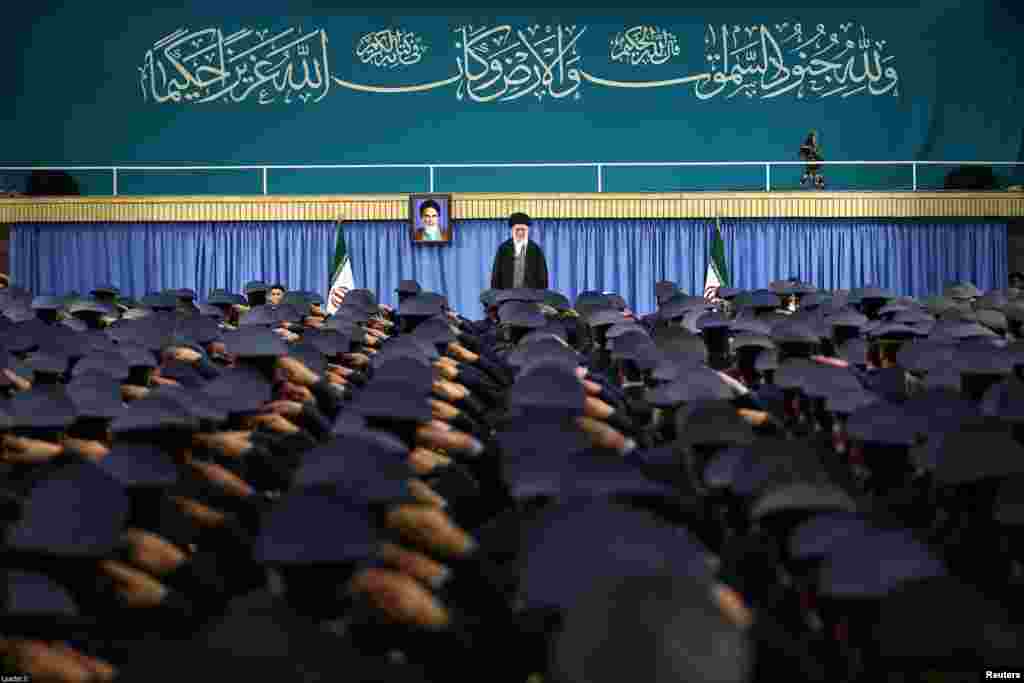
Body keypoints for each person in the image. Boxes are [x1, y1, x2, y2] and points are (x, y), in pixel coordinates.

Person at [490, 212, 549, 290]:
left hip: (530, 298)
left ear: (528, 230)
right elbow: (496, 277)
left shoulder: (536, 250)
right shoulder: (503, 249)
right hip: (507, 297)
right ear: (512, 230)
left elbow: (543, 278)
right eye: (517, 229)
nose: (520, 233)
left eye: (523, 229)